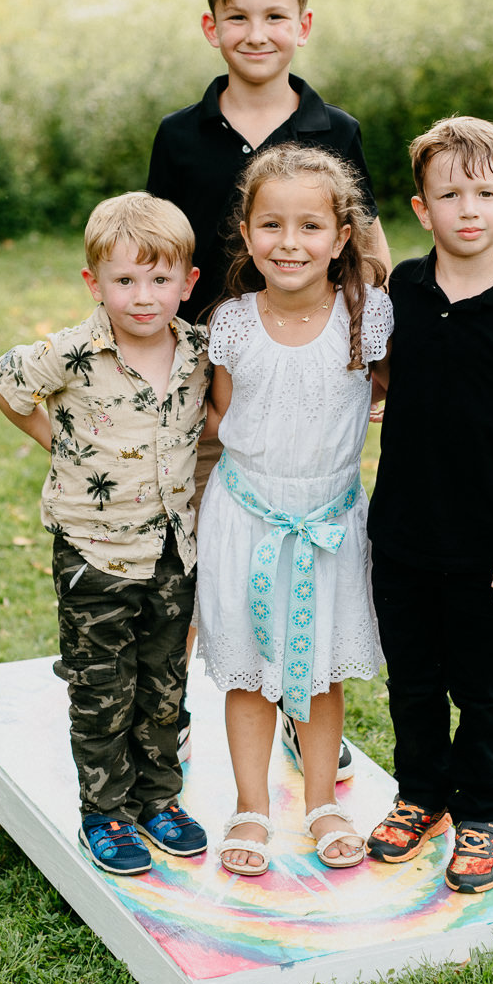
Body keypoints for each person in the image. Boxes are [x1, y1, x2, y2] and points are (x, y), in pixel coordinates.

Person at [147, 0, 391, 779]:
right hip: (208, 380)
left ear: (304, 24)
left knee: (302, 563)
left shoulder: (336, 128)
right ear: (211, 27)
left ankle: (302, 714)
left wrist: (386, 352)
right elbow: (155, 246)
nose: (257, 32)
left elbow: (368, 249)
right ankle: (160, 717)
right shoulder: (180, 137)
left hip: (310, 379)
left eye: (274, 16)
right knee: (185, 552)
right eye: (238, 16)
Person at [364, 117, 493, 895]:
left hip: (489, 537)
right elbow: (388, 373)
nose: (468, 208)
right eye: (449, 193)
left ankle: (482, 812)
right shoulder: (403, 292)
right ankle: (421, 796)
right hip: (402, 531)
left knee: (482, 683)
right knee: (412, 678)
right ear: (422, 209)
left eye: (486, 192)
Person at [0, 193, 211, 877]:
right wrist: (58, 443)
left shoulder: (198, 350)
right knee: (102, 685)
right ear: (95, 283)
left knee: (164, 681)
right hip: (93, 551)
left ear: (188, 282)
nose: (143, 296)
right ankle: (105, 811)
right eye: (125, 280)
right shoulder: (75, 351)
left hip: (174, 547)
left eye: (160, 279)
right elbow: (2, 381)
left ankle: (158, 798)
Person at [195, 143, 391, 875]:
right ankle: (251, 805)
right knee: (248, 671)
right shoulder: (235, 323)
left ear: (342, 238)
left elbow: (398, 386)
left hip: (330, 520)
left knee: (317, 673)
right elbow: (222, 416)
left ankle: (321, 802)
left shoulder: (367, 318)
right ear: (246, 236)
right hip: (246, 517)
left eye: (310, 226)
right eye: (271, 225)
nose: (289, 242)